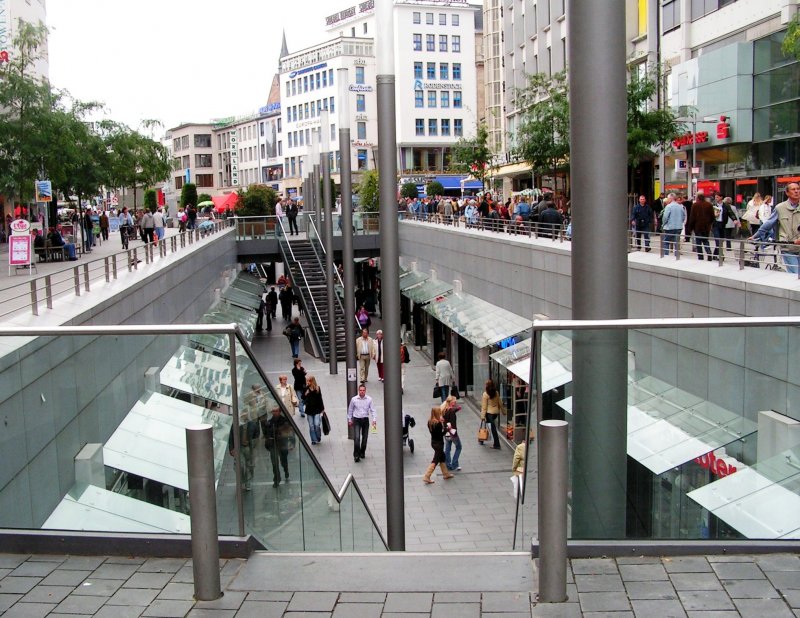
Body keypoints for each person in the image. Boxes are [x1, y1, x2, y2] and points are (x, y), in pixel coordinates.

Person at [752, 183, 800, 273]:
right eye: (793, 189)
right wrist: (755, 235)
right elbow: (769, 223)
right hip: (788, 247)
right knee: (795, 273)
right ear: (787, 193)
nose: (797, 191)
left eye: (798, 188)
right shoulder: (780, 208)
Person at [228, 408, 259, 491]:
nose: (244, 415)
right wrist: (232, 448)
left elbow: (256, 436)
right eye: (243, 413)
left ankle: (248, 482)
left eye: (246, 413)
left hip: (249, 448)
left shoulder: (253, 424)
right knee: (240, 465)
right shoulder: (236, 424)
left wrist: (254, 445)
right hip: (240, 448)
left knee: (249, 466)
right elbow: (231, 437)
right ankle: (242, 480)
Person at [422, 406, 454, 484]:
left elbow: (434, 433)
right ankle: (427, 476)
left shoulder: (430, 422)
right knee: (435, 460)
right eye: (439, 412)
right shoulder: (438, 423)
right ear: (437, 413)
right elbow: (440, 434)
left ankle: (446, 474)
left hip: (433, 442)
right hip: (439, 443)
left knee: (442, 457)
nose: (440, 414)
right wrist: (447, 429)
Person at [347, 383, 377, 462]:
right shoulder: (354, 399)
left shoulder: (369, 399)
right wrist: (350, 419)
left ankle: (362, 452)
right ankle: (356, 455)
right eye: (360, 390)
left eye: (363, 390)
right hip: (357, 419)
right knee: (357, 438)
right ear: (358, 391)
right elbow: (350, 410)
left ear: (365, 391)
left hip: (365, 420)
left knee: (365, 437)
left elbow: (373, 410)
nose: (362, 392)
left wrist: (374, 419)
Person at [262, 406, 291, 487]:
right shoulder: (269, 422)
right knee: (274, 463)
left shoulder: (284, 421)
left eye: (276, 411)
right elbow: (266, 434)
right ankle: (276, 479)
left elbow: (289, 432)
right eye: (273, 411)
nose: (275, 412)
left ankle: (286, 469)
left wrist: (291, 443)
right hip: (273, 445)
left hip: (282, 444)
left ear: (279, 411)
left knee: (283, 461)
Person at [686, 191, 715, 261]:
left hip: (697, 226)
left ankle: (700, 256)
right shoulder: (709, 205)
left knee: (698, 242)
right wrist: (710, 223)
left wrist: (690, 228)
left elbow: (692, 217)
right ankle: (709, 253)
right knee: (705, 240)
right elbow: (712, 217)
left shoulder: (695, 205)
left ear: (698, 198)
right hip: (706, 227)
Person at [660, 193, 686, 258]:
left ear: (671, 198)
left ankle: (666, 256)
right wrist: (680, 222)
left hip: (669, 227)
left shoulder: (668, 206)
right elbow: (683, 216)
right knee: (676, 242)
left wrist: (663, 224)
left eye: (668, 198)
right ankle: (676, 256)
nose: (667, 200)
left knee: (666, 242)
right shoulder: (680, 207)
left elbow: (665, 217)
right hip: (678, 227)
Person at [480, 378, 503, 449]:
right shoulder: (496, 393)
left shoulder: (485, 394)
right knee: (491, 426)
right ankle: (484, 439)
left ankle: (496, 444)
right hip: (495, 413)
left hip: (489, 413)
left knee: (491, 427)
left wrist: (482, 416)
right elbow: (500, 403)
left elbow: (484, 407)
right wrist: (503, 411)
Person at [302, 375, 325, 444]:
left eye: (308, 381)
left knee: (317, 424)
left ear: (312, 381)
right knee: (311, 426)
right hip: (309, 410)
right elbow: (302, 397)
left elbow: (320, 399)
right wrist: (305, 394)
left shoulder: (317, 388)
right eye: (307, 381)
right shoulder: (306, 388)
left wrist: (322, 409)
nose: (307, 382)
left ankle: (318, 436)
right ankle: (313, 440)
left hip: (317, 409)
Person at [441, 395, 462, 472]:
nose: (455, 402)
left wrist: (457, 408)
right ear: (451, 402)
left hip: (446, 433)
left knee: (447, 449)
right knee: (459, 447)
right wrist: (454, 432)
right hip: (452, 433)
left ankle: (448, 464)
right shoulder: (452, 411)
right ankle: (454, 464)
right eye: (454, 401)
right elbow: (453, 424)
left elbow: (452, 410)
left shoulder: (444, 410)